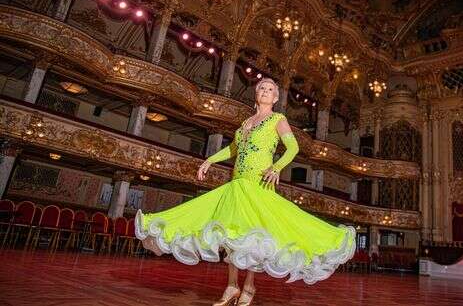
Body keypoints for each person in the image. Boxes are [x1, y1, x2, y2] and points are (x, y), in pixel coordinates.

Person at [135, 78, 356, 306]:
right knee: (232, 235)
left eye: (271, 90)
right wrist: (209, 160)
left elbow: (293, 148)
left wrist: (277, 167)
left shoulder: (278, 119)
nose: (266, 91)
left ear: (276, 98)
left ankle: (249, 286)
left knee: (253, 238)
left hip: (258, 185)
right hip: (237, 184)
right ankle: (232, 287)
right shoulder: (246, 122)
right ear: (256, 93)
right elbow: (233, 148)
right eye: (262, 88)